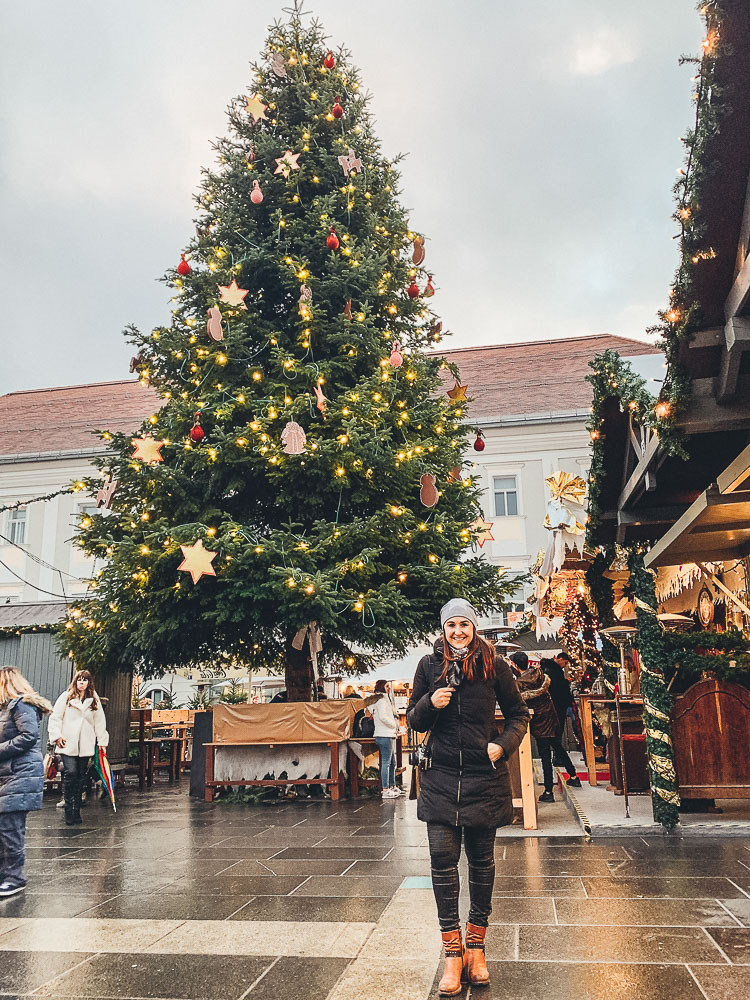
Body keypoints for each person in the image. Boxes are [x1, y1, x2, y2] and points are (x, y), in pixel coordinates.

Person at [408, 599, 529, 995]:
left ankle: (476, 947)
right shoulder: (428, 666)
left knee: (481, 864)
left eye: (464, 624)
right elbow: (414, 719)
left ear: (474, 627)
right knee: (442, 864)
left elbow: (519, 715)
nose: (458, 631)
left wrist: (502, 746)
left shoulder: (494, 665)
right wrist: (431, 701)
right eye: (451, 625)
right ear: (442, 629)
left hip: (483, 777)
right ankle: (452, 953)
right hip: (441, 779)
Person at [0, 665, 53, 897]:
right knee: (4, 828)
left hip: (20, 774)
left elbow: (28, 736)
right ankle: (6, 875)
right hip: (10, 774)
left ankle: (15, 877)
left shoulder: (20, 705)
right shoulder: (7, 708)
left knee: (11, 828)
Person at [510, 652, 581, 802]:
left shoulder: (520, 684)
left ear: (515, 665)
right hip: (551, 714)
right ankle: (573, 776)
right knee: (557, 746)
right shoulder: (539, 673)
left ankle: (548, 791)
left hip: (539, 719)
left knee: (545, 755)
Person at [48, 670, 109, 826]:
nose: (82, 683)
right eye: (79, 680)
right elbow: (56, 718)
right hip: (67, 743)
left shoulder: (94, 700)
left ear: (89, 682)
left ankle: (76, 810)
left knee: (81, 777)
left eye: (85, 680)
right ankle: (69, 809)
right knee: (71, 773)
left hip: (86, 744)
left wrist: (102, 742)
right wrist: (57, 736)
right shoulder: (66, 697)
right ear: (75, 682)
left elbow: (100, 722)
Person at [368, 680, 402, 798]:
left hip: (387, 734)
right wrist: (394, 725)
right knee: (387, 762)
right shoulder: (382, 700)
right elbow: (383, 717)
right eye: (387, 686)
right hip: (384, 734)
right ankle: (386, 789)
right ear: (382, 687)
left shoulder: (380, 699)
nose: (389, 688)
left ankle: (392, 786)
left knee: (392, 762)